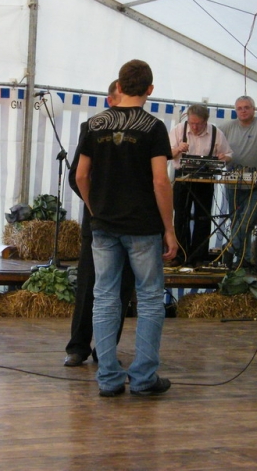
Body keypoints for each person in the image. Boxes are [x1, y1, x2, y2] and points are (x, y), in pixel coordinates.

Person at [75, 59, 178, 397]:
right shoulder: (154, 127)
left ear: (118, 87)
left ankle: (108, 378)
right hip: (143, 226)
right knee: (149, 299)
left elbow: (80, 175)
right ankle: (144, 377)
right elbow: (160, 181)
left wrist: (94, 207)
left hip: (104, 224)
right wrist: (169, 228)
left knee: (104, 298)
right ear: (150, 89)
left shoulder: (95, 124)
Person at [64, 80, 136, 367]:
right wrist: (97, 205)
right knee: (88, 285)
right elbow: (76, 176)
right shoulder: (92, 127)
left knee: (122, 288)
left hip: (130, 222)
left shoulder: (142, 129)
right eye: (121, 99)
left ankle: (106, 349)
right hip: (97, 221)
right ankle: (78, 346)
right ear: (111, 100)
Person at [169, 104, 232, 266]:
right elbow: (166, 154)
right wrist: (178, 149)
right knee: (181, 216)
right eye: (192, 123)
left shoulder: (216, 133)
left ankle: (198, 257)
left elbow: (229, 155)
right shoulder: (178, 129)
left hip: (205, 180)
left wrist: (223, 157)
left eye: (199, 124)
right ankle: (181, 256)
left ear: (206, 121)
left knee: (203, 218)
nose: (195, 127)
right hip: (182, 178)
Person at [219, 96, 257, 269]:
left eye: (247, 107)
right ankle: (244, 259)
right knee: (237, 221)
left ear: (254, 109)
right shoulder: (226, 127)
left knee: (248, 219)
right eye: (239, 108)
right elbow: (214, 144)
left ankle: (229, 248)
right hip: (233, 182)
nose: (243, 111)